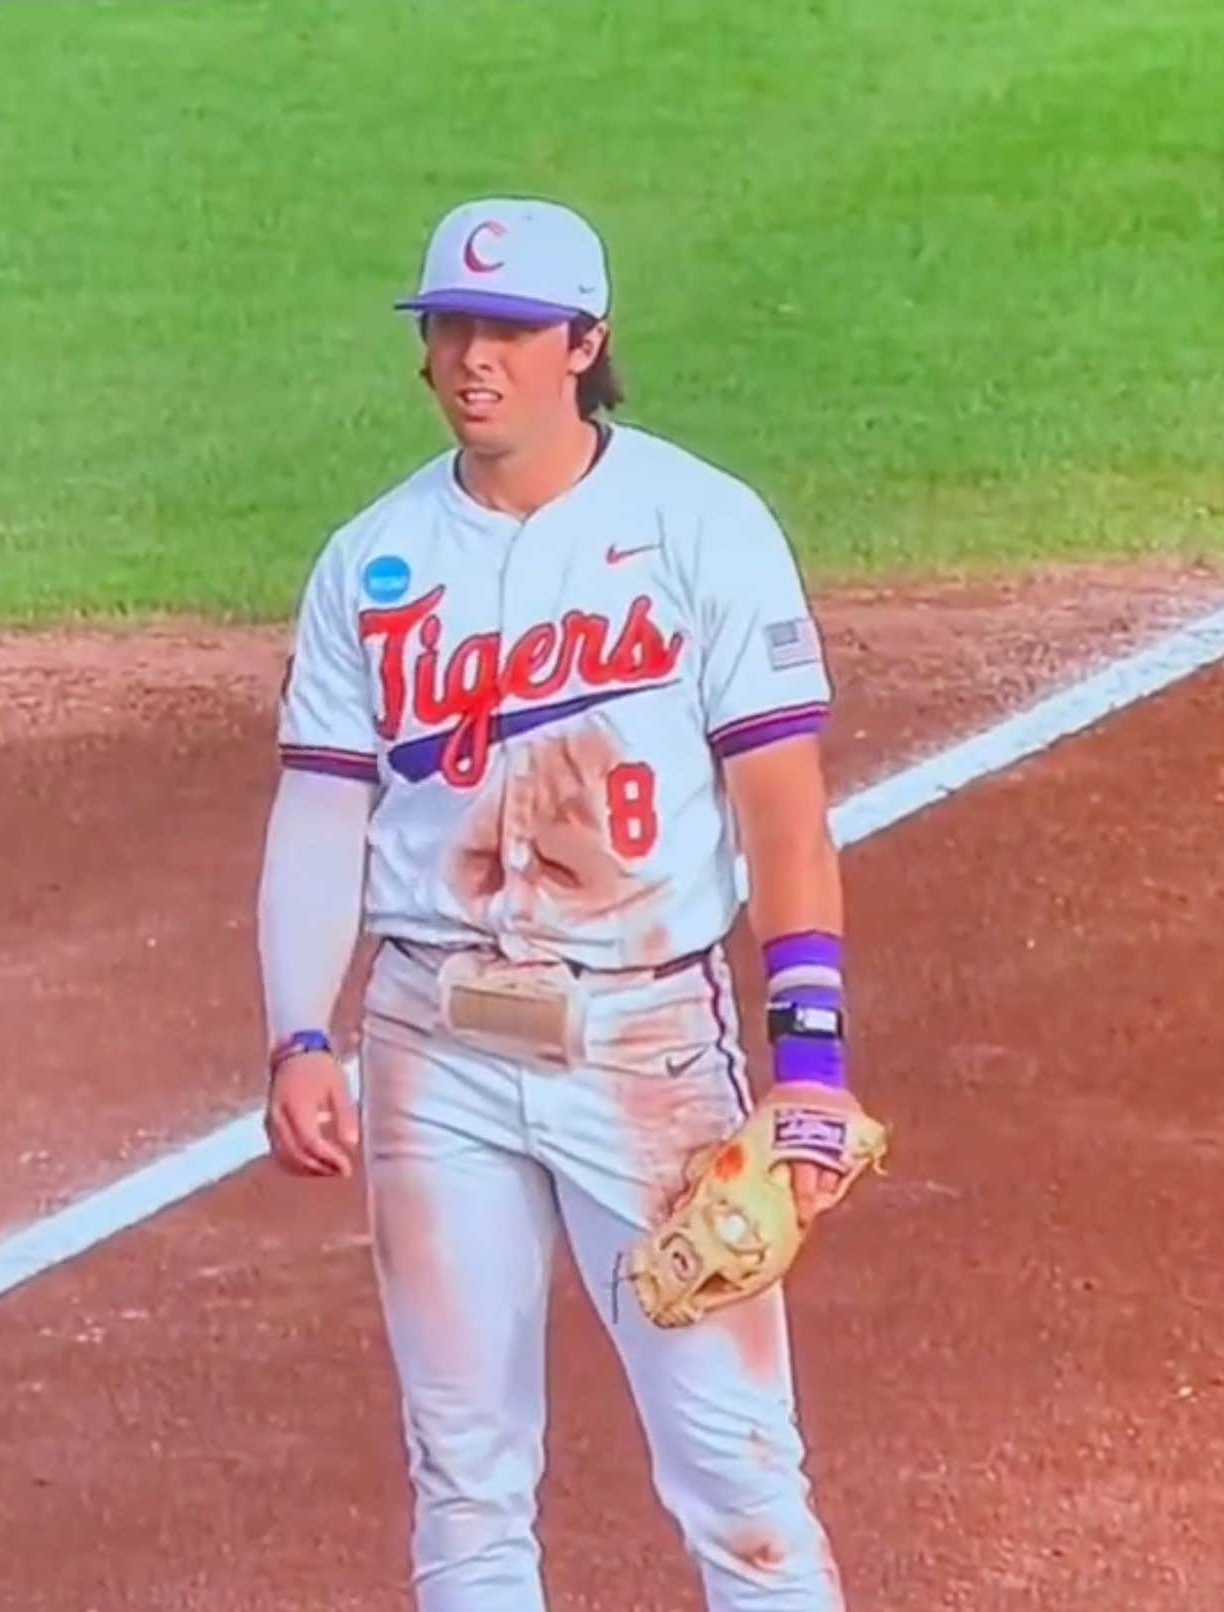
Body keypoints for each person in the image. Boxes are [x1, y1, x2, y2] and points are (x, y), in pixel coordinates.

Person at [256, 195, 869, 1609]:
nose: (477, 358)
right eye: (453, 329)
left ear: (587, 343)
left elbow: (782, 804)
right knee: (464, 1482)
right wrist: (299, 1030)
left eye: (514, 331)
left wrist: (814, 1057)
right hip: (431, 1054)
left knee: (739, 1473)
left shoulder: (699, 527)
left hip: (644, 1050)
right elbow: (323, 805)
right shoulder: (369, 562)